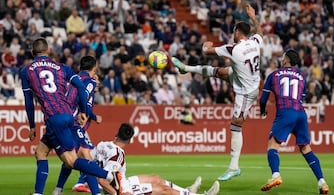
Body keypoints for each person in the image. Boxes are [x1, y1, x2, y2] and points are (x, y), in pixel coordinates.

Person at [172, 4, 263, 181]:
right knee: (218, 71)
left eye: (234, 32)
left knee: (236, 125)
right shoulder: (255, 43)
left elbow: (206, 51)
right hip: (245, 77)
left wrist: (206, 45)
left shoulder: (233, 49)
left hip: (246, 91)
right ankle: (185, 68)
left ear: (237, 33)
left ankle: (234, 167)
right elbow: (259, 31)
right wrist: (253, 16)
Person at [19, 38, 120, 195]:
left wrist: (32, 126)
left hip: (54, 118)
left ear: (32, 52)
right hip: (67, 115)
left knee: (72, 161)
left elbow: (28, 101)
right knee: (40, 152)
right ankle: (40, 193)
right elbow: (80, 86)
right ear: (49, 51)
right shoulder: (62, 67)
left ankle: (110, 176)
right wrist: (85, 111)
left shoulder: (26, 71)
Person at [259, 49, 329, 194]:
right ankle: (322, 182)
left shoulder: (273, 75)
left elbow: (263, 98)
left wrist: (263, 110)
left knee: (273, 144)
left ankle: (275, 175)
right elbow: (302, 97)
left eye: (283, 57)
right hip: (300, 113)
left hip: (285, 112)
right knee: (306, 149)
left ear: (286, 60)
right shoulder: (302, 77)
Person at [92, 123, 220, 195]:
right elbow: (103, 180)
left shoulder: (103, 144)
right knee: (165, 191)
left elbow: (89, 159)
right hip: (123, 191)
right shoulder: (117, 156)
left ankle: (187, 191)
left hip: (122, 182)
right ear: (130, 140)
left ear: (117, 133)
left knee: (155, 178)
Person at [52, 56, 103, 195]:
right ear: (95, 67)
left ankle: (58, 189)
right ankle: (95, 190)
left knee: (71, 158)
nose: (97, 82)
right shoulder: (89, 81)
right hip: (73, 122)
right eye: (97, 78)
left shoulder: (72, 78)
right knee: (87, 158)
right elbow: (84, 98)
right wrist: (88, 114)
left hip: (62, 118)